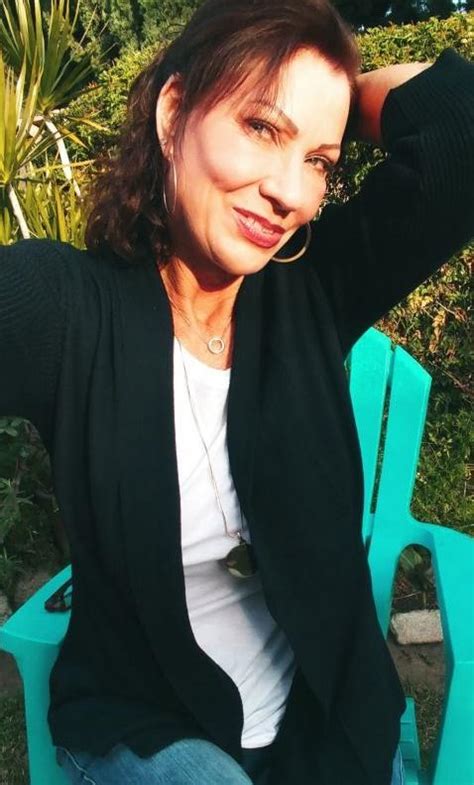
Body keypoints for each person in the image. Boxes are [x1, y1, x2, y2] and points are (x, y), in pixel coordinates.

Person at [0, 0, 472, 782]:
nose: (290, 192)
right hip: (152, 721)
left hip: (329, 718)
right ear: (173, 112)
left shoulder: (311, 294)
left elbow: (461, 129)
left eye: (318, 162)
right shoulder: (71, 312)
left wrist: (333, 101)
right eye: (260, 127)